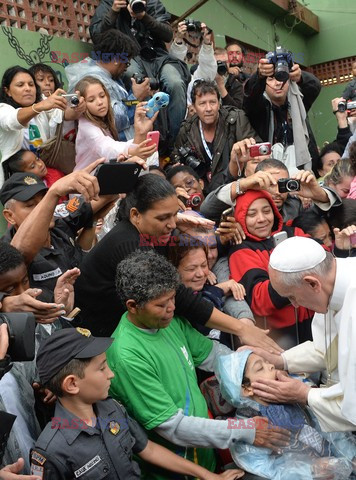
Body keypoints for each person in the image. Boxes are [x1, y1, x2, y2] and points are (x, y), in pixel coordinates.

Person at [107, 250, 289, 479]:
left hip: (204, 453)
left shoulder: (169, 322)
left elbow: (214, 355)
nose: (172, 308)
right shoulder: (127, 356)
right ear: (133, 306)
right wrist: (244, 430)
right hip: (175, 469)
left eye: (173, 298)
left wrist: (257, 365)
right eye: (161, 305)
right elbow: (173, 427)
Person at [74, 174, 281, 354]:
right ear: (135, 215)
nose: (173, 225)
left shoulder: (146, 232)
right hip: (96, 335)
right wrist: (241, 328)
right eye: (163, 218)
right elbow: (179, 296)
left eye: (175, 214)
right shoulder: (129, 244)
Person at [30, 327, 244, 480]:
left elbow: (147, 449)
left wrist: (207, 476)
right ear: (72, 384)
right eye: (102, 368)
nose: (111, 374)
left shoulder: (112, 409)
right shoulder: (51, 452)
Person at [249, 236, 356, 432]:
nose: (295, 305)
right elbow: (327, 348)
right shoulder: (331, 282)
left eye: (292, 296)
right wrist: (280, 360)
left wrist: (305, 394)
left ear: (313, 284)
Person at [216, 350, 356, 480]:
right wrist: (311, 470)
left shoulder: (291, 394)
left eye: (267, 362)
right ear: (247, 388)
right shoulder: (249, 424)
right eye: (260, 368)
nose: (271, 366)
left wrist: (350, 457)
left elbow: (329, 430)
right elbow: (267, 468)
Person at [0, 162, 116, 302]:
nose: (45, 208)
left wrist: (122, 167)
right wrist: (54, 192)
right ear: (10, 216)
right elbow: (21, 253)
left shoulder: (61, 221)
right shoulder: (6, 254)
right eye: (31, 205)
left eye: (44, 200)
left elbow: (105, 195)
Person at [90, 0, 190, 144]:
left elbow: (168, 35)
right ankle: (147, 139)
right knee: (135, 78)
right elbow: (96, 35)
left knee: (175, 82)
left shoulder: (153, 4)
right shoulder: (111, 2)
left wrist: (144, 16)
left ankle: (175, 143)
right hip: (129, 56)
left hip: (157, 56)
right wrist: (113, 12)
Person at [229, 189, 315, 349]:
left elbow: (323, 260)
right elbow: (260, 299)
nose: (261, 219)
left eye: (266, 211)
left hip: (316, 326)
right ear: (241, 217)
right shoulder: (241, 251)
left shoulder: (294, 232)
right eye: (252, 214)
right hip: (281, 340)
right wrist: (300, 272)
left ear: (274, 212)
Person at [172, 79, 259, 192]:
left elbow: (257, 151)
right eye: (202, 103)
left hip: (237, 186)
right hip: (203, 192)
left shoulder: (236, 120)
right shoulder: (187, 129)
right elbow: (175, 159)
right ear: (193, 106)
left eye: (212, 102)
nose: (208, 109)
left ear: (219, 103)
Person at [243, 53, 321, 172]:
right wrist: (260, 75)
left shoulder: (298, 101)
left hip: (302, 170)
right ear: (264, 83)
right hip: (269, 171)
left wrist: (300, 76)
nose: (278, 83)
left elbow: (315, 87)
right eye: (271, 78)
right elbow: (249, 95)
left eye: (281, 77)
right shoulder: (258, 107)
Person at [65, 29, 145, 141]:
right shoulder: (95, 80)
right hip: (107, 151)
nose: (126, 68)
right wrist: (136, 97)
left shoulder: (103, 74)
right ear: (117, 59)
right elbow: (113, 121)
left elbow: (121, 104)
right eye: (126, 63)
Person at [168, 234, 246, 348]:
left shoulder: (208, 289)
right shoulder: (175, 307)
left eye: (204, 265)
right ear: (174, 270)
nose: (200, 274)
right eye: (191, 269)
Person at [0, 65, 69, 187]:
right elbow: (13, 120)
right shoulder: (3, 109)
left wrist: (79, 108)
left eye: (31, 84)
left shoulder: (41, 102)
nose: (28, 89)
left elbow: (63, 115)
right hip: (19, 183)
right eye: (20, 85)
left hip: (46, 173)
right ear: (8, 91)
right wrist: (40, 106)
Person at [74, 76, 157, 170]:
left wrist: (141, 131)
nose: (100, 102)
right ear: (82, 103)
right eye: (91, 100)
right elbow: (106, 148)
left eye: (102, 96)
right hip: (85, 180)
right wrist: (132, 150)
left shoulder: (104, 118)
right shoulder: (86, 126)